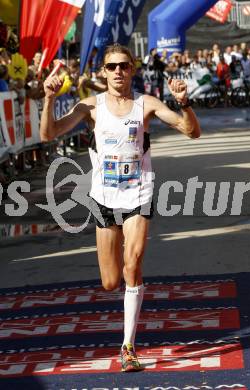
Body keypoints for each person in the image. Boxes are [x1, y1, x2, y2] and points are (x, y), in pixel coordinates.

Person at [40, 43, 201, 372]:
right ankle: (128, 291)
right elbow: (48, 134)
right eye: (111, 66)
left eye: (124, 66)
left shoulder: (147, 104)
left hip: (138, 195)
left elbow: (191, 131)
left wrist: (184, 103)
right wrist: (49, 99)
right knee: (111, 281)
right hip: (103, 200)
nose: (118, 72)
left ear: (133, 69)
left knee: (133, 264)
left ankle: (128, 346)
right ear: (103, 71)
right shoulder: (91, 107)